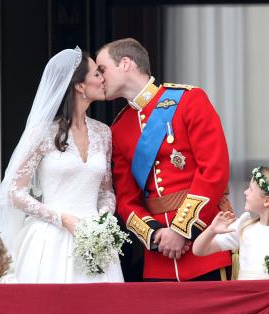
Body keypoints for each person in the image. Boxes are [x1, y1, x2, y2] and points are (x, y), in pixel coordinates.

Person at [96, 38, 232, 281]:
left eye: (102, 69)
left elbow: (214, 170)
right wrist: (156, 234)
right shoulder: (119, 127)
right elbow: (126, 199)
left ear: (125, 63)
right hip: (160, 256)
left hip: (205, 244)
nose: (99, 77)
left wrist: (181, 230)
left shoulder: (190, 100)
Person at [0, 47, 124, 283]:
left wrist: (102, 220)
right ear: (80, 86)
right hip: (50, 239)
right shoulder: (42, 133)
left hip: (96, 242)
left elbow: (106, 192)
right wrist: (61, 219)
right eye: (97, 74)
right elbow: (14, 192)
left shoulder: (103, 133)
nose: (103, 79)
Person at [193, 166, 269, 280]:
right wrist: (212, 230)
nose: (245, 192)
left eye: (251, 189)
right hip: (247, 300)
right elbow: (199, 250)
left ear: (267, 201)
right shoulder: (244, 227)